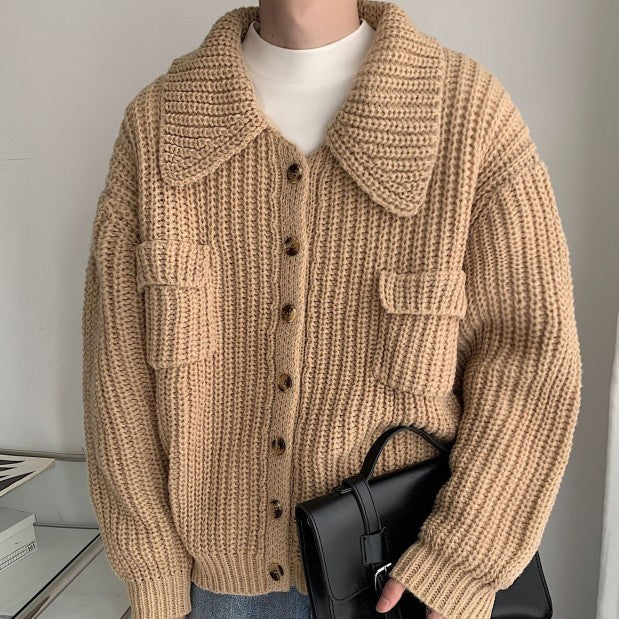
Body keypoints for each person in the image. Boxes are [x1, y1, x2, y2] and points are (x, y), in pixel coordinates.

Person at [81, 0, 582, 618]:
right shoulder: (157, 126)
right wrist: (152, 575)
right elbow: (116, 377)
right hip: (209, 593)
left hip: (403, 582)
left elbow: (532, 363)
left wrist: (461, 559)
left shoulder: (467, 119)